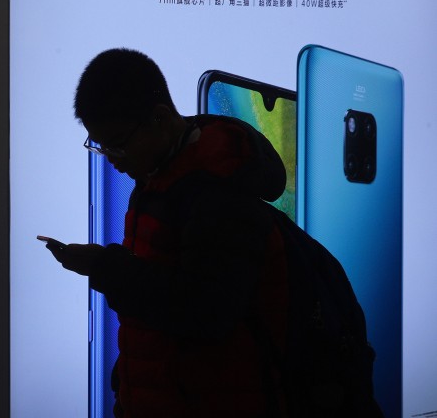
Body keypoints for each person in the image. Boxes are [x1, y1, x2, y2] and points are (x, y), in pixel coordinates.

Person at [47, 48, 290, 418]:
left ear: (159, 118)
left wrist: (106, 267)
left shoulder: (217, 187)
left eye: (118, 143)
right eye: (100, 146)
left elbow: (206, 312)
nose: (112, 158)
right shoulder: (159, 176)